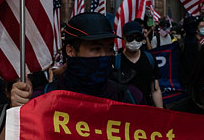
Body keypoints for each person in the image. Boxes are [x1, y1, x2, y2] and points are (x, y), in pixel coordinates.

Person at [11, 12, 143, 107]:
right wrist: (17, 109)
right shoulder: (43, 98)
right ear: (70, 51)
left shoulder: (130, 97)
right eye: (96, 49)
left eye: (109, 49)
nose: (105, 55)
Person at [115, 21, 163, 108]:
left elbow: (155, 90)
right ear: (123, 37)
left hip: (145, 109)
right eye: (130, 38)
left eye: (137, 38)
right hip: (123, 111)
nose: (134, 41)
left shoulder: (150, 59)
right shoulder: (116, 62)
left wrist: (161, 113)